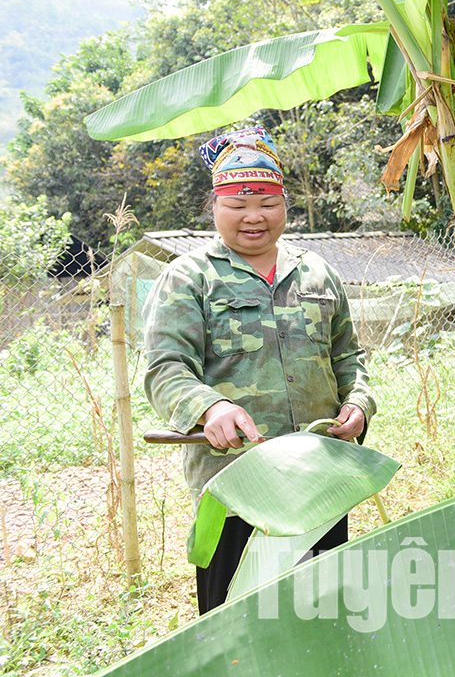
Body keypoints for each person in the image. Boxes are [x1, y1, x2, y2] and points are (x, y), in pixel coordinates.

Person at [143, 127, 376, 614]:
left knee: (325, 613)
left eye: (267, 202)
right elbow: (166, 368)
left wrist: (358, 403)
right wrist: (210, 408)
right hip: (235, 485)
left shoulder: (317, 271)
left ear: (284, 204)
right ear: (214, 206)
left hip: (320, 475)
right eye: (237, 204)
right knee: (238, 623)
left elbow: (349, 358)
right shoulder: (191, 276)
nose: (254, 216)